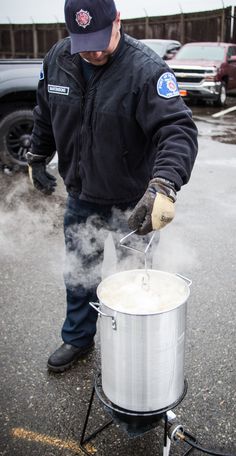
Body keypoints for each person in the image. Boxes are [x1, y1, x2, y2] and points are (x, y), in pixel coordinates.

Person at [27, 0, 198, 373]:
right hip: (80, 197)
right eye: (83, 41)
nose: (93, 49)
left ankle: (135, 351)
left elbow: (177, 131)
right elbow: (45, 113)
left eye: (102, 39)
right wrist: (37, 156)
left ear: (118, 20)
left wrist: (164, 184)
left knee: (135, 281)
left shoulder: (146, 70)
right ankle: (77, 338)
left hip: (133, 204)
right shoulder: (57, 59)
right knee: (78, 275)